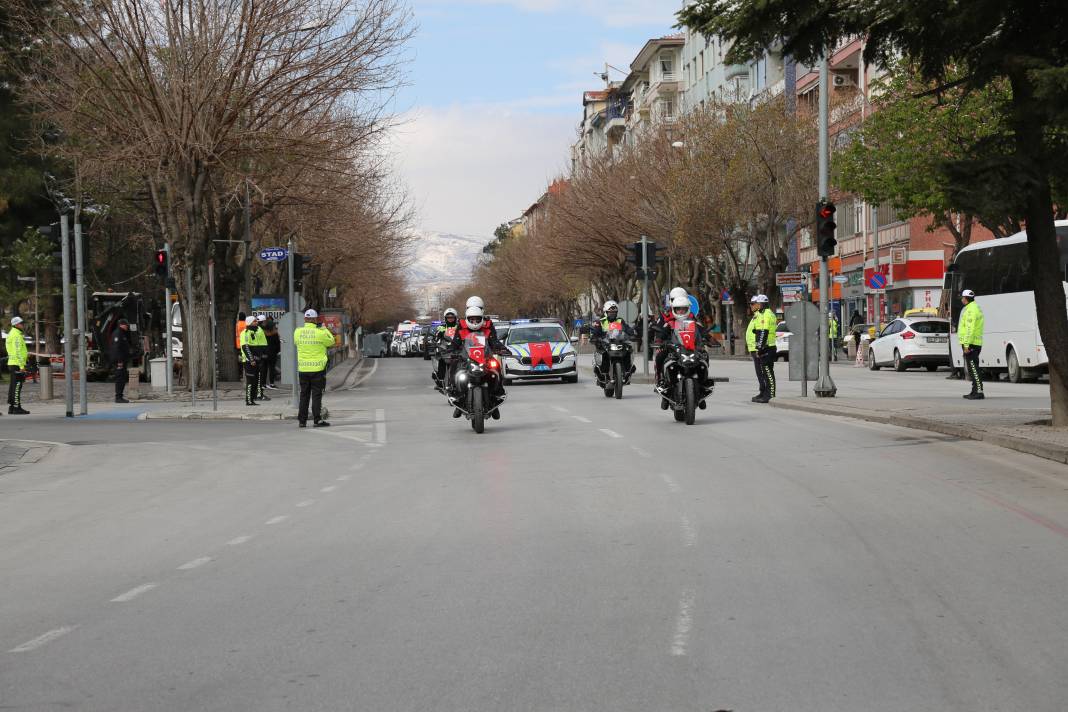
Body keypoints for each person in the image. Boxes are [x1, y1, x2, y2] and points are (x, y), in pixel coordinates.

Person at [446, 305, 506, 418]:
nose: (474, 322)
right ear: (467, 318)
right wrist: (450, 350)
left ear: (481, 317)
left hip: (485, 358)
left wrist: (502, 349)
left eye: (477, 319)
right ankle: (456, 395)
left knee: (496, 366)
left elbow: (494, 341)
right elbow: (455, 342)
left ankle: (496, 397)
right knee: (454, 365)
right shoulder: (461, 326)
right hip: (467, 358)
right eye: (472, 319)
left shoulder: (488, 326)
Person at [294, 309, 336, 427]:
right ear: (316, 319)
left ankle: (302, 421)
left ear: (305, 319)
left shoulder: (297, 332)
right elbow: (331, 341)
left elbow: (296, 342)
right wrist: (323, 328)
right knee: (316, 395)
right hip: (318, 369)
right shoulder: (321, 332)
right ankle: (317, 420)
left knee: (304, 395)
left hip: (303, 369)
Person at [652, 287, 693, 391]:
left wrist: (707, 337)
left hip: (689, 346)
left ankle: (702, 382)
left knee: (703, 356)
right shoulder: (665, 316)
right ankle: (660, 379)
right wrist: (659, 340)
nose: (681, 310)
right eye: (676, 299)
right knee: (660, 356)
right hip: (671, 346)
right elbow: (660, 331)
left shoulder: (691, 316)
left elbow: (699, 329)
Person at [590, 300, 635, 384]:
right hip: (605, 343)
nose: (612, 314)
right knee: (602, 353)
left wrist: (632, 334)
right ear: (606, 312)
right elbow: (596, 332)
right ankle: (602, 373)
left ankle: (627, 372)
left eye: (614, 312)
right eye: (610, 312)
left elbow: (627, 329)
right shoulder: (601, 321)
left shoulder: (620, 321)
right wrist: (595, 338)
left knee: (628, 350)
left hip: (618, 342)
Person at [747, 294, 777, 403]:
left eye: (757, 303)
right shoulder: (767, 314)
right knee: (766, 372)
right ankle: (767, 394)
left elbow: (763, 332)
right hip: (768, 346)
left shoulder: (765, 315)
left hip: (767, 347)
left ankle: (770, 395)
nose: (756, 305)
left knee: (768, 372)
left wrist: (759, 349)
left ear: (760, 304)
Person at [959, 289, 985, 400]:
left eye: (962, 297)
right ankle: (975, 391)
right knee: (972, 368)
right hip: (973, 343)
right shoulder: (974, 307)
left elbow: (970, 329)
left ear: (966, 298)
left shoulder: (971, 310)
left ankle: (978, 392)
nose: (961, 299)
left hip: (971, 344)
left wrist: (966, 345)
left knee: (974, 369)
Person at [6, 316, 29, 414]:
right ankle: (16, 407)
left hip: (13, 362)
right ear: (16, 324)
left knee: (13, 385)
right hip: (17, 364)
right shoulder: (16, 335)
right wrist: (22, 366)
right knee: (17, 386)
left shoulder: (12, 333)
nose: (23, 325)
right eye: (21, 323)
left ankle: (12, 407)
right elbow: (18, 351)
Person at [433, 307, 460, 391]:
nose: (450, 319)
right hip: (445, 349)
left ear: (455, 318)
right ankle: (440, 381)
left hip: (457, 348)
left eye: (452, 317)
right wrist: (435, 339)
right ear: (445, 318)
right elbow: (436, 336)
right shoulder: (442, 327)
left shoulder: (459, 326)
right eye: (448, 317)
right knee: (441, 360)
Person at [108, 318, 133, 403]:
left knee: (122, 378)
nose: (127, 327)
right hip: (119, 361)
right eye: (126, 325)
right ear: (121, 325)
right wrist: (119, 361)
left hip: (122, 360)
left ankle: (120, 396)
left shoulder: (122, 333)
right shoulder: (118, 333)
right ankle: (118, 397)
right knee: (120, 378)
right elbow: (116, 348)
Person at [239, 315, 261, 406]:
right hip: (248, 361)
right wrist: (251, 359)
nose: (257, 323)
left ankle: (252, 399)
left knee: (255, 380)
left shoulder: (254, 333)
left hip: (256, 361)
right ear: (250, 323)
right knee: (250, 380)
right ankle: (248, 400)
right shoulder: (245, 333)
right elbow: (245, 347)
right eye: (255, 321)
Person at [252, 314, 270, 401]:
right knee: (261, 377)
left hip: (255, 356)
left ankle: (255, 394)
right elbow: (262, 344)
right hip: (261, 357)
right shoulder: (260, 330)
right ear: (263, 322)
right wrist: (264, 354)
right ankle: (259, 395)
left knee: (256, 377)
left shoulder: (254, 330)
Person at [264, 318, 281, 389]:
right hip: (273, 354)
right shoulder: (275, 334)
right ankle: (271, 383)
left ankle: (263, 383)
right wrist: (277, 351)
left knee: (264, 369)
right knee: (272, 369)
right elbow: (277, 344)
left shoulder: (263, 334)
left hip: (264, 353)